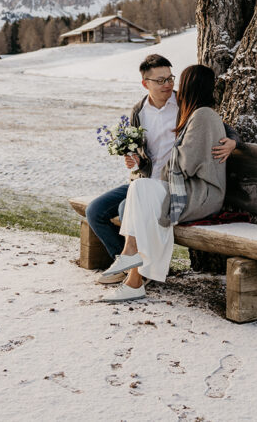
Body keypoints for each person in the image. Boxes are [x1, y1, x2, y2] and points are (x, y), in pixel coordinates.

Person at [86, 54, 236, 284]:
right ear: (146, 83)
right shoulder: (138, 112)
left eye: (170, 78)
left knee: (129, 208)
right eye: (160, 80)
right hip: (144, 180)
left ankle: (139, 273)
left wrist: (235, 142)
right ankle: (128, 264)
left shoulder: (185, 103)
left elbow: (217, 126)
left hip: (174, 183)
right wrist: (135, 160)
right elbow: (143, 155)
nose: (167, 84)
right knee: (95, 211)